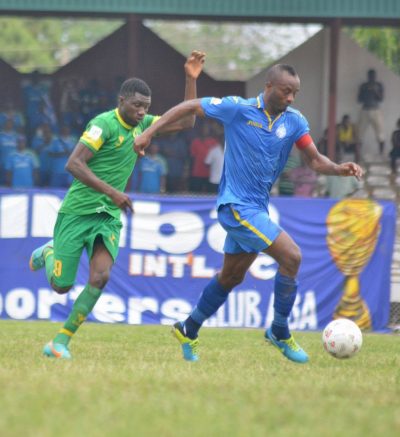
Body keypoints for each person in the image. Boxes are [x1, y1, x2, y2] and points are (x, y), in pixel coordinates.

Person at [134, 63, 363, 364]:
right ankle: (279, 330)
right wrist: (149, 132)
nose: (291, 98)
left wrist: (338, 168)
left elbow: (314, 159)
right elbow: (190, 106)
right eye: (286, 91)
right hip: (235, 206)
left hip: (256, 208)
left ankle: (189, 328)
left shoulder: (294, 121)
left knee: (231, 277)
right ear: (268, 86)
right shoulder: (238, 109)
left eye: (295, 93)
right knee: (292, 257)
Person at [28, 50, 206, 359]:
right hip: (78, 212)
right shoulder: (103, 125)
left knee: (100, 277)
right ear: (121, 100)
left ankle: (60, 342)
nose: (142, 112)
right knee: (61, 286)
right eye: (136, 105)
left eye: (146, 107)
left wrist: (190, 79)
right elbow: (74, 164)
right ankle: (49, 251)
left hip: (107, 216)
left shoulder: (143, 124)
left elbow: (188, 120)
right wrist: (113, 193)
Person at [357, 69, 385, 155]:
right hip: (365, 110)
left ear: (375, 77)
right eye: (370, 76)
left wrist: (375, 90)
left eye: (373, 76)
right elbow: (359, 99)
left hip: (376, 110)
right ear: (368, 76)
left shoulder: (379, 85)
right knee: (359, 133)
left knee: (380, 133)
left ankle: (381, 153)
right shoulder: (364, 86)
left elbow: (381, 99)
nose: (371, 78)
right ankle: (357, 154)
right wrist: (366, 91)